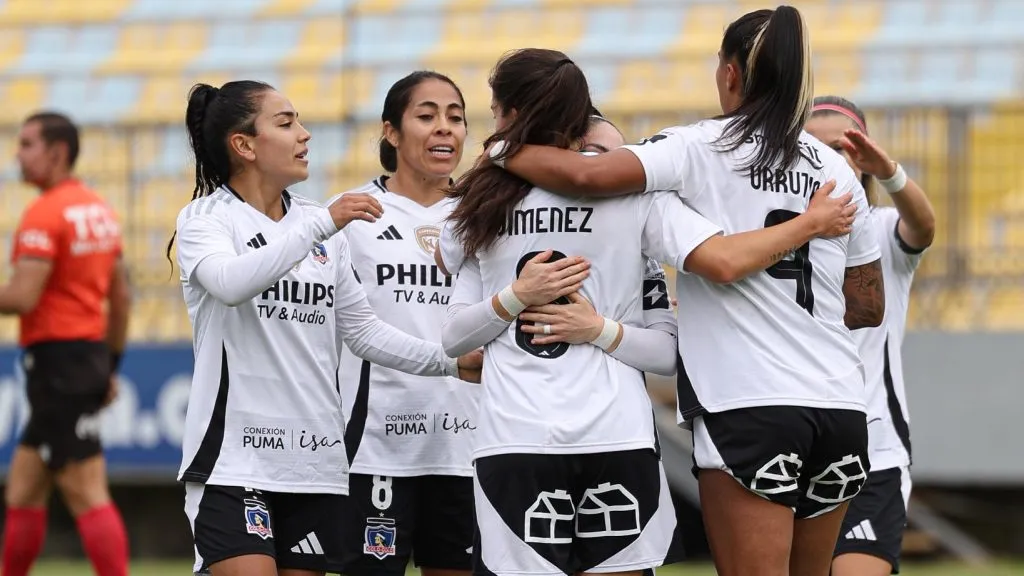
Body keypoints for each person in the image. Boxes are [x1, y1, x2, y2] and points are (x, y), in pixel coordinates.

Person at [485, 8, 891, 576]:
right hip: (842, 407)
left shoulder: (698, 146)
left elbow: (585, 177)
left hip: (750, 403)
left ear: (729, 74)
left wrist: (501, 148)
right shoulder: (836, 169)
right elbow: (867, 307)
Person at [168, 80, 481, 576]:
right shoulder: (207, 218)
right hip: (233, 460)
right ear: (245, 145)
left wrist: (450, 362)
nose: (305, 135)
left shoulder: (319, 224)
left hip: (314, 464)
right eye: (287, 123)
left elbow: (364, 332)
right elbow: (229, 283)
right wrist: (319, 226)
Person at [330, 70, 479, 576]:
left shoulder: (484, 217)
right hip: (376, 448)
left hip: (469, 448)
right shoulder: (352, 218)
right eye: (427, 115)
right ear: (391, 132)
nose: (445, 129)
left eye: (456, 118)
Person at [806, 96, 936, 576]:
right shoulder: (775, 237)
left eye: (844, 146)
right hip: (792, 444)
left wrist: (891, 173)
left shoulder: (882, 232)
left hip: (872, 452)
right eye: (815, 146)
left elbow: (923, 226)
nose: (830, 158)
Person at [0, 112, 131, 576]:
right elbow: (121, 296)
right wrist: (109, 363)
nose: (18, 153)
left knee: (86, 489)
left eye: (27, 143)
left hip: (58, 363)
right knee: (23, 488)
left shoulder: (45, 212)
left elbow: (20, 297)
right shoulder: (99, 209)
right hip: (85, 357)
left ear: (56, 152)